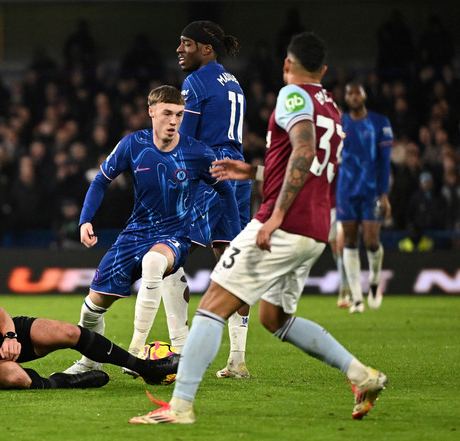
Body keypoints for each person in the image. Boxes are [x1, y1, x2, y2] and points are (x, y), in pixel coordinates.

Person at [130, 32, 387, 424]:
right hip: (316, 228)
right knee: (275, 318)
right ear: (325, 70)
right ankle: (362, 375)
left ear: (288, 65)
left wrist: (277, 217)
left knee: (213, 304)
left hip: (285, 222)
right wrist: (252, 171)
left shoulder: (293, 96)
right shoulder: (332, 108)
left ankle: (179, 407)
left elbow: (302, 151)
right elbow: (311, 167)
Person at [63, 85, 240, 375]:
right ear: (152, 112)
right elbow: (100, 181)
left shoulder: (198, 153)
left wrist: (233, 235)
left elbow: (225, 191)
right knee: (91, 309)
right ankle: (89, 361)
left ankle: (134, 353)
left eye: (180, 115)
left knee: (154, 262)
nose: (173, 121)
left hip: (175, 236)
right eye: (168, 113)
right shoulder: (133, 145)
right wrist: (85, 220)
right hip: (135, 234)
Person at [0, 255, 179, 390]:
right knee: (16, 377)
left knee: (68, 331)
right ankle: (64, 382)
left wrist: (10, 336)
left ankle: (145, 368)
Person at [162, 20, 252, 378]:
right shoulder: (233, 82)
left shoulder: (194, 83)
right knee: (231, 262)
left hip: (208, 174)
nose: (179, 50)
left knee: (167, 255)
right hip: (236, 172)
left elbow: (185, 139)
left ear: (206, 48)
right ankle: (238, 359)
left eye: (186, 44)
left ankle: (180, 353)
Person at [337, 82, 393, 313]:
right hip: (345, 191)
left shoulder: (380, 122)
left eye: (357, 92)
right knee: (349, 242)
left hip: (370, 191)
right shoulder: (340, 124)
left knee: (371, 241)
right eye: (349, 92)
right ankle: (357, 299)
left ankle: (374, 280)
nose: (353, 96)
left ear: (364, 95)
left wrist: (385, 194)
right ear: (346, 97)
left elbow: (385, 161)